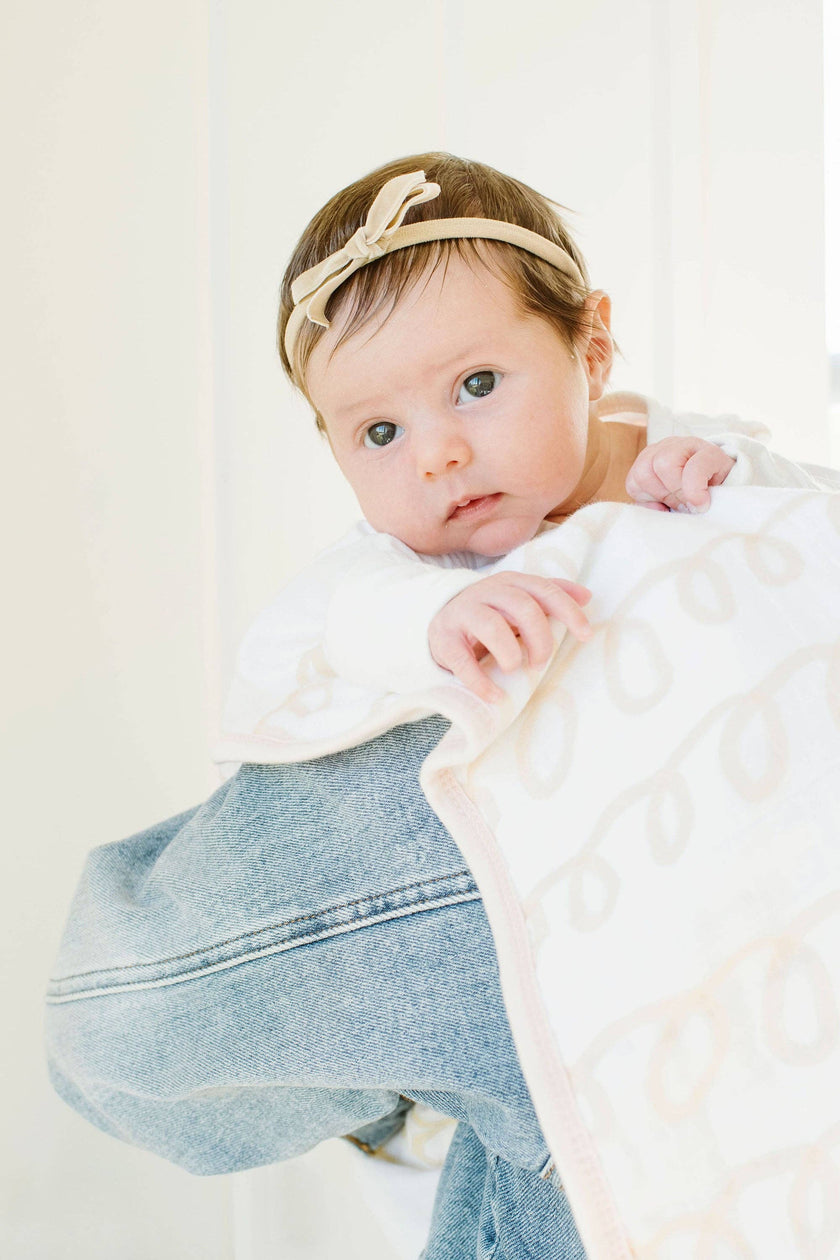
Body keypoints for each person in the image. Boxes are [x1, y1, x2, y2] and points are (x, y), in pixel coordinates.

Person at [46, 152, 840, 1260]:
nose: (440, 455)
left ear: (592, 344)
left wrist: (711, 476)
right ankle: (405, 1118)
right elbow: (324, 626)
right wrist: (427, 627)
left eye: (476, 385)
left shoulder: (674, 458)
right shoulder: (395, 567)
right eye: (379, 434)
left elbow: (795, 555)